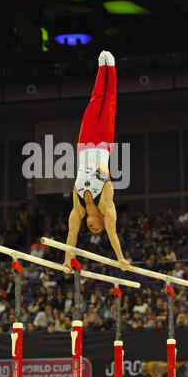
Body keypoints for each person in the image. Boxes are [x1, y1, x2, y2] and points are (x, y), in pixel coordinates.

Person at [63, 51, 130, 272]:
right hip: (103, 144)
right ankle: (110, 67)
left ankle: (100, 67)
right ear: (102, 220)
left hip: (84, 144)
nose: (92, 227)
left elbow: (72, 233)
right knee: (109, 102)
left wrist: (66, 261)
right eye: (96, 229)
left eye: (90, 229)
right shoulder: (106, 204)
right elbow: (112, 232)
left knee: (94, 102)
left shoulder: (78, 207)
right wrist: (120, 258)